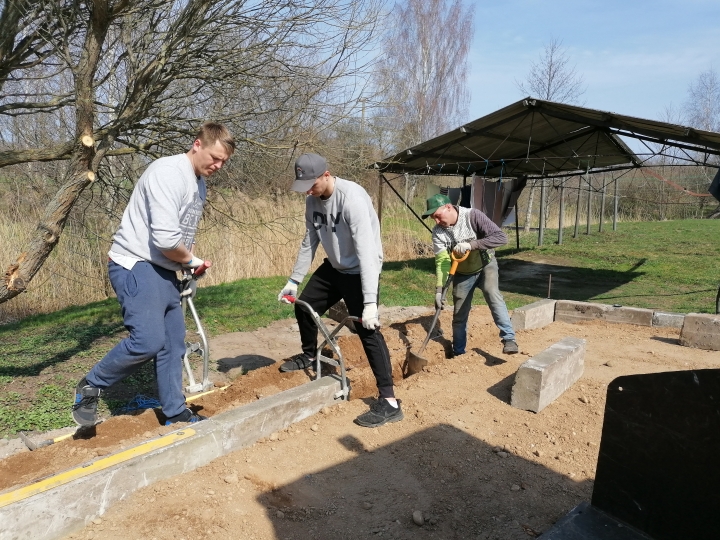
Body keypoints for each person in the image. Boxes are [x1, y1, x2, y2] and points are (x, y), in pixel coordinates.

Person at [72, 123, 235, 427]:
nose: (218, 165)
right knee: (148, 341)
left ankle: (175, 412)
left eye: (224, 161)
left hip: (166, 269)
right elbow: (165, 240)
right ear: (197, 144)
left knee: (173, 345)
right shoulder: (168, 172)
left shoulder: (199, 183)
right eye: (214, 157)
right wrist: (193, 260)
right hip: (136, 263)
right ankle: (91, 385)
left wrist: (186, 266)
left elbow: (183, 234)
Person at [277, 153, 402, 428]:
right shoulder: (312, 200)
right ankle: (310, 355)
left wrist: (370, 302)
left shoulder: (352, 199)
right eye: (305, 185)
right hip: (334, 268)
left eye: (312, 184)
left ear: (326, 174)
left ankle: (390, 401)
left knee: (367, 331)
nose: (309, 191)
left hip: (360, 270)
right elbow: (309, 241)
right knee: (304, 307)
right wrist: (294, 281)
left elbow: (367, 253)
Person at [422, 193, 519, 357]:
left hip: (485, 265)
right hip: (462, 273)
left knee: (492, 293)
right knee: (459, 315)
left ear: (448, 207)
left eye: (437, 216)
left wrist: (471, 244)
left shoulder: (472, 216)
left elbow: (501, 238)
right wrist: (439, 290)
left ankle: (509, 339)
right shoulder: (438, 232)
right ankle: (459, 353)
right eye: (433, 218)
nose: (437, 222)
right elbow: (443, 262)